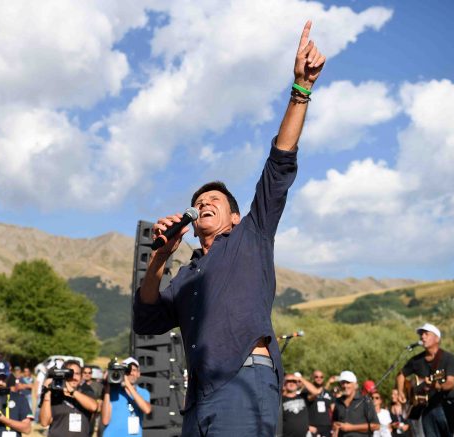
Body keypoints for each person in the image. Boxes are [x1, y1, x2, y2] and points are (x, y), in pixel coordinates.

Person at [132, 20, 326, 437]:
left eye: (214, 200)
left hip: (244, 379)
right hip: (198, 395)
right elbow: (146, 320)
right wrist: (160, 258)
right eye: (199, 201)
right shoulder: (185, 275)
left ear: (235, 217)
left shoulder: (250, 236)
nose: (204, 203)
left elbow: (279, 164)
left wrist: (301, 89)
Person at [395, 323, 454, 437]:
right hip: (427, 409)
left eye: (426, 334)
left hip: (448, 408)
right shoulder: (416, 360)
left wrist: (438, 386)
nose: (422, 337)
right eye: (421, 334)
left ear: (437, 338)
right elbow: (400, 375)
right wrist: (400, 392)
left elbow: (451, 382)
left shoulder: (449, 358)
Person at [39, 360, 98, 437]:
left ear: (81, 376)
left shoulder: (86, 391)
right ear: (63, 374)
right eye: (70, 373)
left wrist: (72, 391)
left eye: (77, 374)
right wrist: (47, 394)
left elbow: (93, 407)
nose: (74, 377)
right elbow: (44, 422)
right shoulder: (55, 393)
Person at [101, 357, 151, 437]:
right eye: (128, 371)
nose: (131, 373)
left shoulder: (143, 392)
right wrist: (107, 387)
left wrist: (128, 385)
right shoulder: (112, 391)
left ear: (139, 373)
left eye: (134, 370)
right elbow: (105, 421)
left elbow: (147, 409)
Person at [332, 371, 379, 437]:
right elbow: (335, 423)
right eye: (343, 383)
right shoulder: (338, 401)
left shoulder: (366, 401)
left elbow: (376, 426)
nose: (345, 385)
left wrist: (351, 428)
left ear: (355, 384)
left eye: (348, 382)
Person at [306, 370, 334, 437]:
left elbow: (334, 410)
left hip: (327, 427)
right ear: (312, 378)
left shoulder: (328, 393)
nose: (319, 378)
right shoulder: (307, 391)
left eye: (321, 377)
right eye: (316, 377)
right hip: (312, 426)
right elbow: (309, 398)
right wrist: (307, 426)